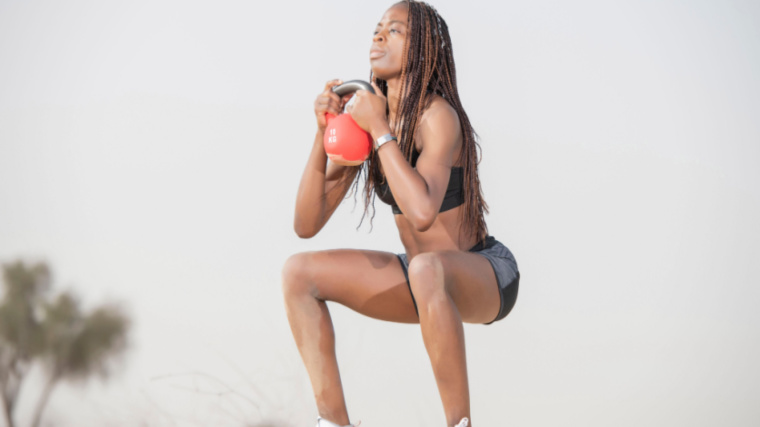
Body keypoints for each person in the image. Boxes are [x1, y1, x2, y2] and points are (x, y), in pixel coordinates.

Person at [282, 1, 520, 426]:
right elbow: (306, 224)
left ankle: (459, 423)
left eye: (394, 31)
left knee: (428, 268)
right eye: (377, 28)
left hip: (483, 273)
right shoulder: (371, 119)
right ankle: (332, 422)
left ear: (423, 50)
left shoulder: (437, 118)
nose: (378, 36)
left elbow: (423, 211)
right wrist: (323, 136)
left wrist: (380, 130)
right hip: (420, 278)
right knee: (298, 273)